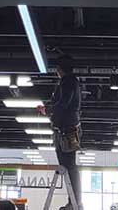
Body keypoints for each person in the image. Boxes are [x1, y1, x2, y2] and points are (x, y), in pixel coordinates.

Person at [38, 55, 82, 210]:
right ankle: (74, 201)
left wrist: (48, 110)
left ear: (59, 69)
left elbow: (63, 103)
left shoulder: (68, 81)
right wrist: (48, 109)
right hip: (64, 128)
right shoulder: (69, 82)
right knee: (67, 166)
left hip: (66, 130)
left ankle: (75, 202)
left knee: (69, 166)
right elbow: (61, 103)